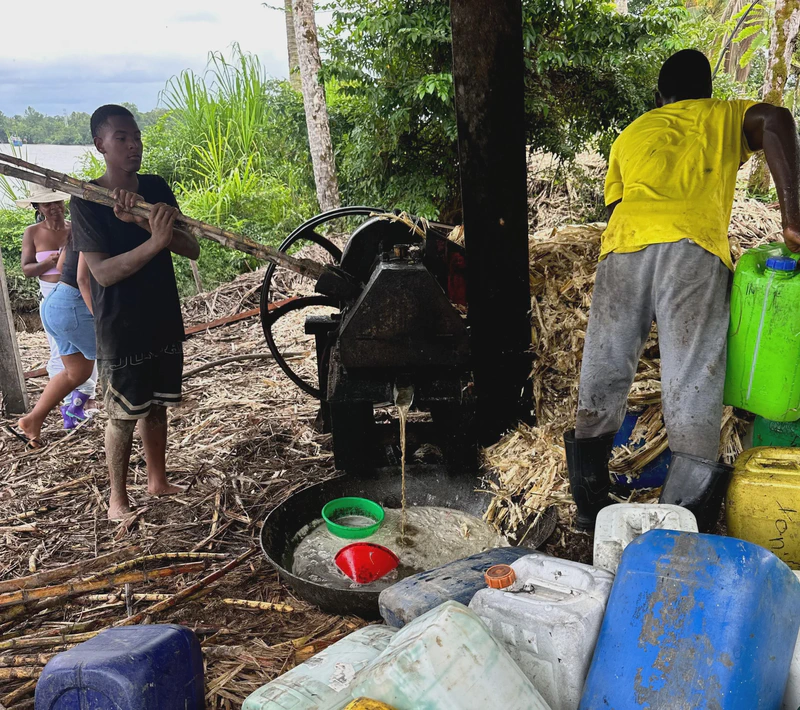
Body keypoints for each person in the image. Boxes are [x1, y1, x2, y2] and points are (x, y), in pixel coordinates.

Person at [566, 49, 800, 531]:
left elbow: (616, 210)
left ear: (659, 97)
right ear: (706, 92)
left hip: (623, 250)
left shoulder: (631, 134)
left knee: (605, 368)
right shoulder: (721, 115)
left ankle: (590, 511)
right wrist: (794, 220)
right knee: (691, 375)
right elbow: (777, 121)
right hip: (693, 249)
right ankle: (680, 518)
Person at [69, 104, 200, 520]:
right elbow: (103, 273)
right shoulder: (88, 199)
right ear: (100, 145)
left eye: (136, 136)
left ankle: (157, 480)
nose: (133, 145)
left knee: (156, 404)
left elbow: (190, 247)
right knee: (123, 415)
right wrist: (154, 241)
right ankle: (117, 500)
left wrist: (146, 222)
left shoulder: (156, 187)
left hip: (161, 316)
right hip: (120, 326)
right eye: (122, 138)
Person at [18, 187, 98, 426]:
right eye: (47, 204)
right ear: (38, 208)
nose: (53, 208)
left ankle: (84, 401)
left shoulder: (76, 227)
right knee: (69, 353)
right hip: (59, 297)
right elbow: (27, 269)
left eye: (57, 202)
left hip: (72, 296)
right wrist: (51, 262)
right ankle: (69, 402)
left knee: (80, 361)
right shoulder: (32, 233)